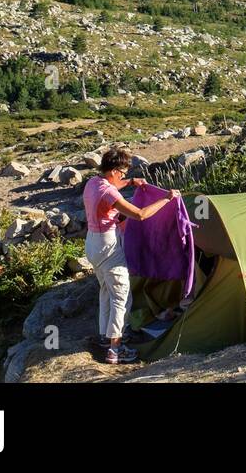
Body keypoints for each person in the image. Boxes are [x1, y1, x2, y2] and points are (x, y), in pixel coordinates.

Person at [84, 149, 179, 365]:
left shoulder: (93, 183)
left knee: (106, 291)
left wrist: (131, 182)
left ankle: (105, 338)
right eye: (123, 172)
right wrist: (166, 198)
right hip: (108, 247)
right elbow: (140, 214)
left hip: (92, 244)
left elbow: (113, 186)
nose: (123, 176)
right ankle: (116, 350)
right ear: (115, 170)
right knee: (122, 298)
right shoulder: (109, 192)